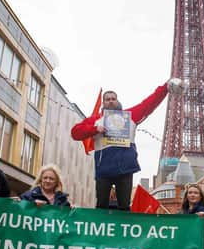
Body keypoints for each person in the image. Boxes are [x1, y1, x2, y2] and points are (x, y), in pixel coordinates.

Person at [71, 79, 182, 210]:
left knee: (124, 205)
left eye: (113, 98)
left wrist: (165, 88)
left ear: (117, 101)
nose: (111, 101)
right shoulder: (95, 121)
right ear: (103, 103)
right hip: (104, 169)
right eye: (107, 99)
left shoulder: (130, 116)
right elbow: (75, 132)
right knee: (101, 205)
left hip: (125, 168)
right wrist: (95, 129)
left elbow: (149, 103)